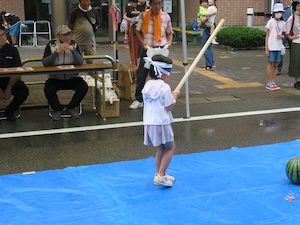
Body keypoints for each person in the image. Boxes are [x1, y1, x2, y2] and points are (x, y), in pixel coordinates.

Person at [142, 54, 180, 187]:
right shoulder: (164, 87)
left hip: (149, 122)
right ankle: (161, 174)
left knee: (160, 149)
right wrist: (174, 96)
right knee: (170, 148)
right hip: (161, 123)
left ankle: (159, 173)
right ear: (163, 73)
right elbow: (169, 106)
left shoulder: (147, 85)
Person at [129, 0, 173, 109]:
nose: (157, 6)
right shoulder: (144, 16)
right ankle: (139, 99)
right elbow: (138, 31)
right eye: (155, 3)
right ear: (150, 4)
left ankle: (159, 97)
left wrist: (169, 42)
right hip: (147, 49)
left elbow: (169, 32)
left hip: (160, 49)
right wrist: (142, 43)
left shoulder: (166, 17)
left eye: (159, 3)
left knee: (160, 75)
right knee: (142, 74)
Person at [42, 25, 88, 120]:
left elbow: (80, 62)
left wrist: (73, 50)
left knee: (83, 87)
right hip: (55, 78)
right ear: (58, 36)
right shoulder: (51, 45)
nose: (68, 37)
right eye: (64, 35)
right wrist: (57, 52)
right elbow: (45, 63)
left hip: (72, 78)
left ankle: (71, 107)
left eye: (69, 34)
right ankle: (57, 108)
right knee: (48, 89)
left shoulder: (74, 44)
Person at [0, 26, 29, 121]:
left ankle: (10, 110)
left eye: (3, 35)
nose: (2, 38)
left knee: (23, 90)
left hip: (10, 80)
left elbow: (18, 70)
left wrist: (9, 87)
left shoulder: (12, 50)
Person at [67, 0, 100, 64]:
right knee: (76, 61)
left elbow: (98, 23)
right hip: (78, 41)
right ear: (80, 2)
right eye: (84, 1)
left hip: (90, 42)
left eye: (88, 1)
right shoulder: (75, 12)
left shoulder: (94, 11)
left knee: (91, 62)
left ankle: (91, 73)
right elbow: (69, 24)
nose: (86, 3)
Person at [265, 3, 286, 91]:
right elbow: (267, 35)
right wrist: (266, 48)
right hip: (271, 46)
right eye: (277, 12)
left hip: (278, 47)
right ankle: (269, 83)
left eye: (280, 12)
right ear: (274, 13)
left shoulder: (283, 23)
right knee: (270, 64)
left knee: (276, 65)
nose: (279, 13)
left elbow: (284, 34)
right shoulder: (270, 22)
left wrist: (281, 36)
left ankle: (273, 82)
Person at [286, 0, 300, 89]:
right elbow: (287, 32)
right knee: (296, 62)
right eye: (298, 6)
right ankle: (297, 81)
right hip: (296, 42)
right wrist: (291, 37)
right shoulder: (292, 18)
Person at [200, 0, 217, 71]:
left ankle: (210, 64)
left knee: (205, 47)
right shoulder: (213, 7)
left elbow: (205, 16)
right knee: (208, 47)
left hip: (209, 27)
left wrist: (200, 23)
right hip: (210, 26)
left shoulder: (210, 8)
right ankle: (209, 64)